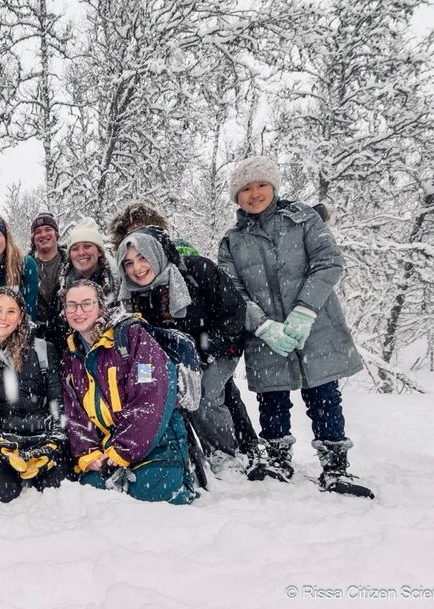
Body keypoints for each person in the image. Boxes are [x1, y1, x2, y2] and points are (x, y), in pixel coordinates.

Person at [218, 156, 373, 498]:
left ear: (273, 186)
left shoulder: (302, 219)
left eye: (260, 185)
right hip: (265, 335)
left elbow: (328, 261)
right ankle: (277, 458)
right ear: (236, 196)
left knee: (324, 395)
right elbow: (234, 291)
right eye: (245, 188)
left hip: (315, 327)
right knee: (272, 399)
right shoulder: (232, 241)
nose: (254, 193)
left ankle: (335, 466)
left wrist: (304, 311)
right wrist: (263, 327)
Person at [107, 199, 261, 462]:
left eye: (143, 256)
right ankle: (190, 450)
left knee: (205, 394)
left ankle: (232, 454)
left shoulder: (195, 269)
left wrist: (208, 348)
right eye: (129, 262)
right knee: (174, 395)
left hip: (219, 346)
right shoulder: (133, 294)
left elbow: (233, 310)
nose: (137, 267)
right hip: (178, 354)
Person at [60, 280, 198, 504]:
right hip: (109, 449)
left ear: (101, 307)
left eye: (87, 304)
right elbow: (74, 411)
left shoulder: (131, 337)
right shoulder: (71, 355)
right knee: (91, 497)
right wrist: (87, 452)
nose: (78, 312)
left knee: (149, 500)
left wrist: (125, 448)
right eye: (71, 305)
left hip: (157, 442)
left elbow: (152, 394)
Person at [0, 287, 67, 502]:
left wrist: (53, 444)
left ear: (21, 316)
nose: (3, 317)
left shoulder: (42, 349)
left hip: (42, 437)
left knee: (57, 497)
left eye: (11, 311)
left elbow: (57, 402)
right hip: (2, 440)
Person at [28, 212, 67, 333]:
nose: (43, 234)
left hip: (69, 334)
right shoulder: (23, 267)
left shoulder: (71, 263)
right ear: (33, 238)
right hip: (37, 337)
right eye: (38, 231)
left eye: (48, 229)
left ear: (56, 234)